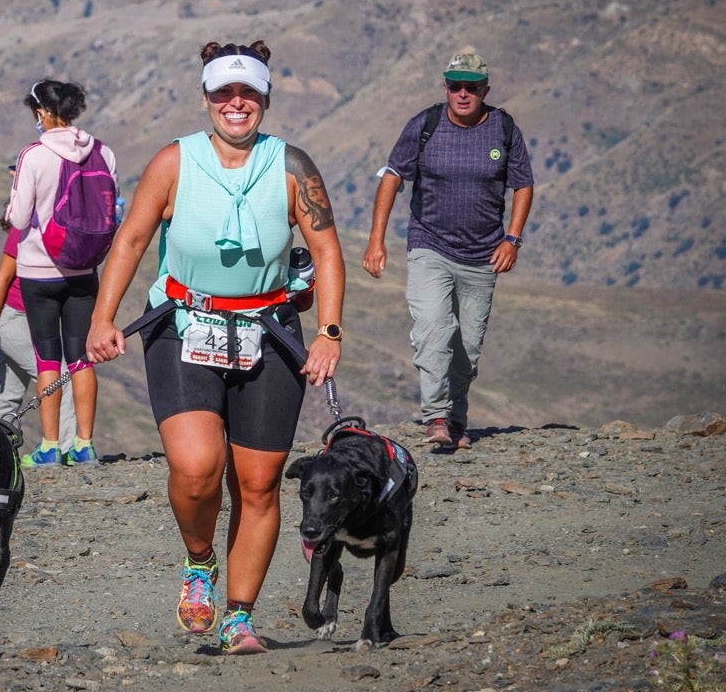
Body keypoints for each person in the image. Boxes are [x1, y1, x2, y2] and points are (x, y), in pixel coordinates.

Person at [85, 41, 345, 655]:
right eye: (224, 94)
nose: (236, 104)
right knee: (198, 469)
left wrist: (330, 332)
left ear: (265, 99)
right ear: (205, 99)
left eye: (248, 94)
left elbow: (328, 252)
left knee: (258, 483)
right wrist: (103, 318)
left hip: (271, 330)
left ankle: (239, 617)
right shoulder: (173, 163)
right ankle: (199, 561)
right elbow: (130, 243)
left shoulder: (293, 166)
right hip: (183, 324)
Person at [361, 50, 534, 449]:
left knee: (466, 349)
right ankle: (435, 417)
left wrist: (512, 238)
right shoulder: (426, 125)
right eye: (455, 85)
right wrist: (376, 240)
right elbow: (392, 177)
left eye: (471, 87)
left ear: (484, 91)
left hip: (483, 254)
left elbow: (523, 183)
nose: (462, 93)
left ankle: (456, 420)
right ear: (445, 87)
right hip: (430, 246)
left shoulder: (504, 129)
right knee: (434, 328)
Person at [5, 79, 117, 467]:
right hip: (84, 268)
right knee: (82, 358)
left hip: (39, 270)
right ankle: (84, 444)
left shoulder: (33, 155)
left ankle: (50, 446)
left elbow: (18, 217)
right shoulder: (103, 151)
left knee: (47, 360)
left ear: (41, 113)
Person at [0, 189, 78, 459]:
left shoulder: (69, 228)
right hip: (11, 317)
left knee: (4, 393)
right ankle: (65, 449)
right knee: (60, 378)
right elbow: (2, 279)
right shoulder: (24, 230)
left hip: (33, 319)